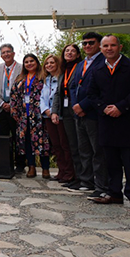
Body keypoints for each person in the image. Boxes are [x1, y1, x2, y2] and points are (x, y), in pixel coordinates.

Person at [86, 35, 130, 212]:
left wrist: (121, 107)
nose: (109, 48)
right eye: (105, 46)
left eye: (113, 45)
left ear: (120, 47)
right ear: (101, 49)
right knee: (111, 162)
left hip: (128, 122)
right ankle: (115, 194)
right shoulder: (97, 70)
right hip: (107, 122)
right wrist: (103, 108)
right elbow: (92, 94)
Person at [69, 31, 108, 198]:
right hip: (79, 114)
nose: (87, 46)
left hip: (93, 113)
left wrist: (84, 106)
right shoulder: (80, 64)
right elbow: (72, 87)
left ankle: (102, 185)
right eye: (84, 43)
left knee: (98, 151)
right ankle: (87, 181)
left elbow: (102, 89)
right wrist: (75, 106)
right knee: (83, 149)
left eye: (91, 43)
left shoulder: (104, 62)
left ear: (98, 44)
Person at [10, 54, 50, 178]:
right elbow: (14, 96)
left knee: (42, 142)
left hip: (39, 116)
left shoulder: (43, 77)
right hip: (23, 117)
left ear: (37, 62)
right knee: (26, 143)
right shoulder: (20, 78)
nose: (29, 64)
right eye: (26, 62)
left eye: (31, 61)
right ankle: (31, 167)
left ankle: (45, 168)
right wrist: (14, 112)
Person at [52, 43, 83, 188]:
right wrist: (55, 111)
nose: (69, 53)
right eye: (67, 51)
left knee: (81, 144)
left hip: (78, 111)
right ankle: (75, 176)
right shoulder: (63, 71)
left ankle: (84, 177)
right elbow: (58, 93)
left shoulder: (81, 67)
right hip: (65, 112)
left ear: (77, 54)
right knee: (72, 145)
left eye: (73, 51)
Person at [41, 54, 75, 184]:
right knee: (56, 145)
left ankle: (70, 172)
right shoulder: (46, 80)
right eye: (47, 63)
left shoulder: (62, 79)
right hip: (48, 116)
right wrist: (47, 111)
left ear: (57, 64)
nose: (49, 65)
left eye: (52, 63)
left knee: (64, 143)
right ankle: (61, 171)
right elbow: (42, 98)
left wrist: (54, 111)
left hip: (60, 115)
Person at [0, 43, 23, 171]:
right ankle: (6, 164)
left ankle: (20, 165)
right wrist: (1, 103)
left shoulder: (22, 68)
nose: (6, 54)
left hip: (16, 109)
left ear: (13, 53)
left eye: (8, 52)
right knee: (2, 138)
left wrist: (12, 105)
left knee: (18, 138)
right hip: (1, 109)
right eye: (3, 52)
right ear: (1, 55)